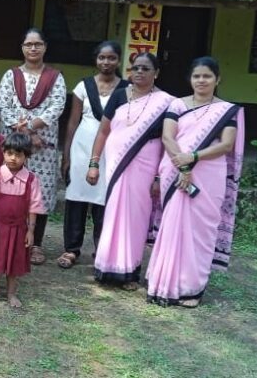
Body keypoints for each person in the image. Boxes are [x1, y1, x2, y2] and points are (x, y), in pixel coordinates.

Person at [147, 57, 244, 308]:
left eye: (207, 76)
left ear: (217, 79)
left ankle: (192, 288)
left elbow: (226, 144)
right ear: (190, 79)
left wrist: (194, 157)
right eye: (197, 76)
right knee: (173, 226)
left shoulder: (226, 110)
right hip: (175, 168)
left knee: (201, 230)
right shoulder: (177, 105)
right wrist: (184, 165)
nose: (201, 81)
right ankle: (162, 284)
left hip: (209, 173)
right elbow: (168, 137)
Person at [86, 52, 174, 289]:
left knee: (136, 216)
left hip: (147, 164)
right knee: (113, 212)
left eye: (146, 69)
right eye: (135, 68)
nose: (139, 73)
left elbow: (169, 142)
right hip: (116, 164)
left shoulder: (166, 102)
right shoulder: (119, 96)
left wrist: (158, 176)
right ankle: (106, 268)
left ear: (156, 73)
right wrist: (94, 163)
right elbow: (103, 131)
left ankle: (130, 272)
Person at [0, 28, 66, 265]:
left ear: (45, 47)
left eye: (37, 44)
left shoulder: (55, 77)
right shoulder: (11, 75)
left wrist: (34, 128)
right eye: (28, 44)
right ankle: (11, 238)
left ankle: (35, 244)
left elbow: (57, 106)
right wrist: (25, 131)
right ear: (22, 47)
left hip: (42, 145)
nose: (33, 48)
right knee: (11, 186)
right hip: (15, 143)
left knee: (41, 190)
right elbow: (3, 105)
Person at [57, 41, 129, 269]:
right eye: (101, 58)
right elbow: (72, 122)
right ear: (96, 60)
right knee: (77, 196)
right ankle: (71, 249)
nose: (106, 62)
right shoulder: (83, 86)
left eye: (111, 58)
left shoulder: (127, 89)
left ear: (118, 60)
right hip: (82, 147)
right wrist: (67, 154)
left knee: (104, 199)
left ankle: (102, 250)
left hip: (112, 148)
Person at [0, 133, 44, 308]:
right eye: (10, 153)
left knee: (13, 262)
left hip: (18, 228)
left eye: (19, 154)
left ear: (26, 156)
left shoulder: (31, 180)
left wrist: (30, 230)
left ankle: (11, 294)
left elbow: (34, 206)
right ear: (4, 152)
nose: (13, 158)